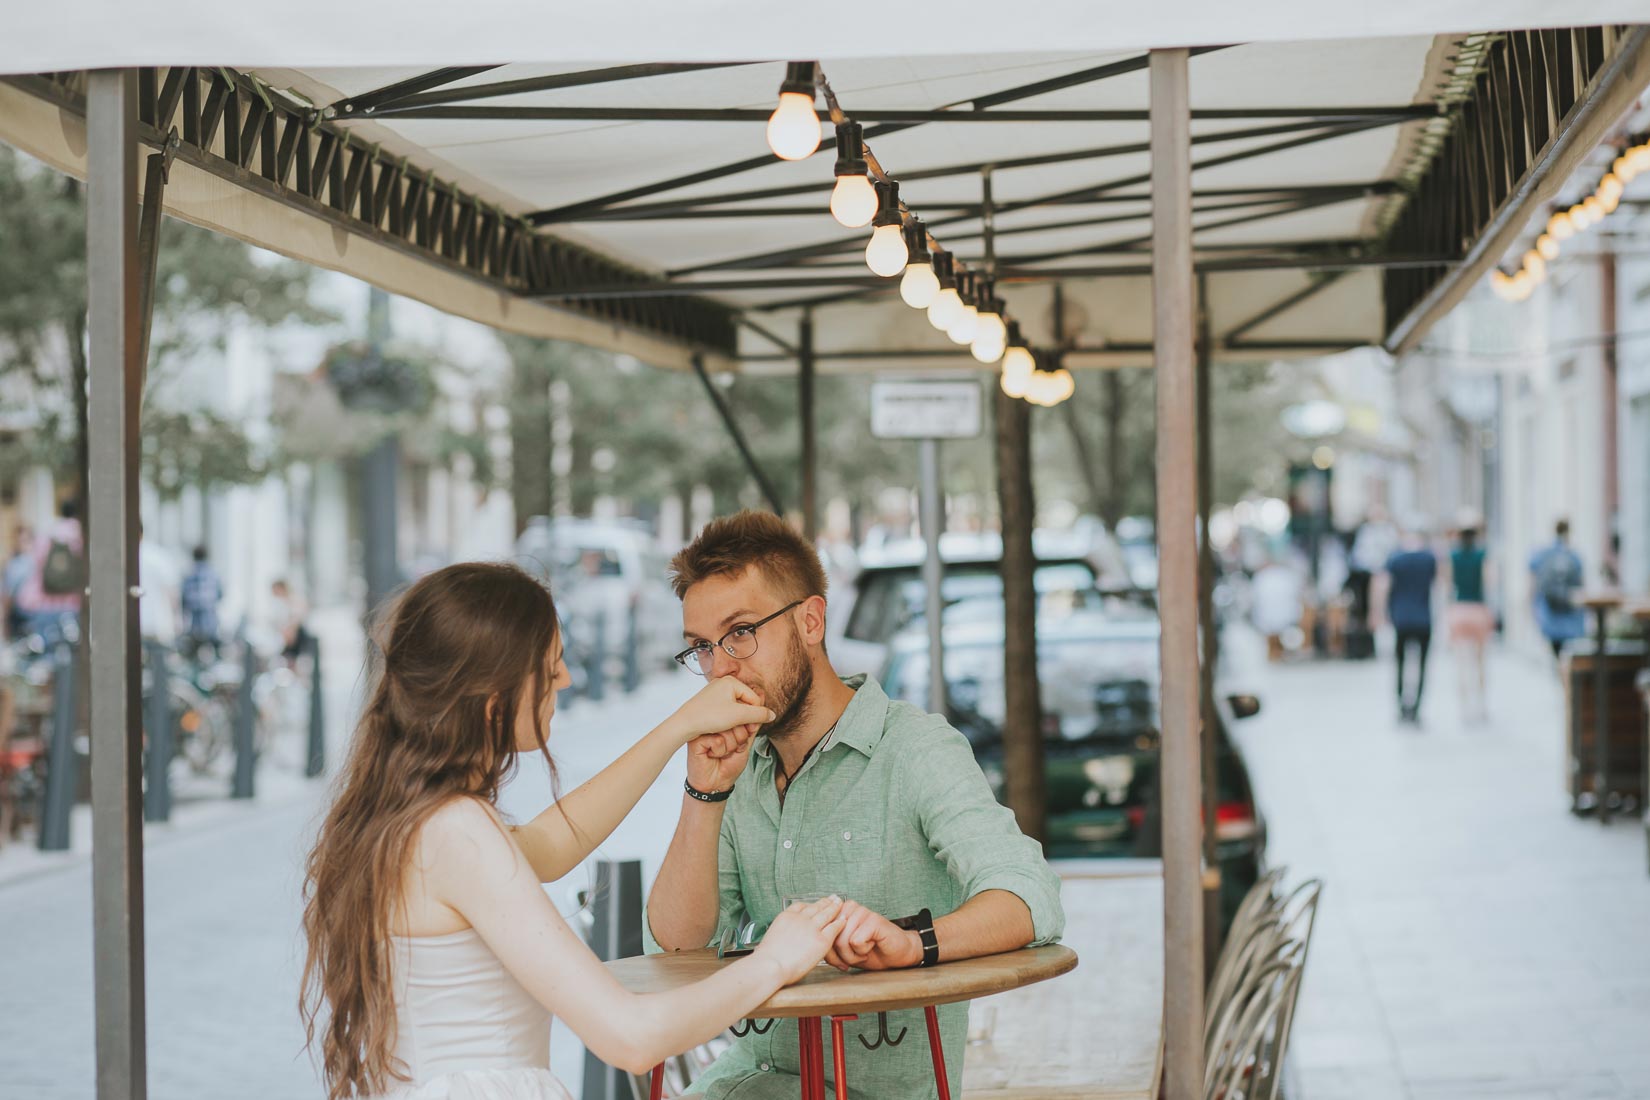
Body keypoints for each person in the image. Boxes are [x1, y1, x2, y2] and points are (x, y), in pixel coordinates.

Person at [300, 561, 848, 1100]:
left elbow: (551, 845)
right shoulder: (456, 830)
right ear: (493, 694)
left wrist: (680, 728)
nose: (564, 678)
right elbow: (630, 1037)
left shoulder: (413, 819)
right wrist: (776, 959)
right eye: (549, 665)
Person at [647, 511, 1065, 1100]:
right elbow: (675, 950)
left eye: (740, 632)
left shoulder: (914, 748)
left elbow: (1030, 896)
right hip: (743, 1083)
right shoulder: (738, 768)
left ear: (811, 621)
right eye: (701, 647)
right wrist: (704, 792)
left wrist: (913, 944)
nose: (720, 668)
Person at [1385, 523, 1438, 725]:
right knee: (1422, 665)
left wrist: (1380, 612)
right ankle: (1416, 708)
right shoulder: (1429, 558)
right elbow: (1439, 583)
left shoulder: (1395, 558)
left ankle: (1401, 706)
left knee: (1400, 664)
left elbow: (1383, 585)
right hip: (1423, 618)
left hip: (1401, 618)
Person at [1443, 520, 1494, 723]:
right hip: (1478, 609)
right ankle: (1481, 706)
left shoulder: (1452, 556)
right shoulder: (1482, 555)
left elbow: (1447, 585)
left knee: (1461, 663)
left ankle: (1464, 709)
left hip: (1459, 610)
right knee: (1480, 663)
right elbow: (1490, 582)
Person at [13, 500, 84, 643]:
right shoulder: (81, 534)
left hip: (44, 602)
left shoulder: (49, 532)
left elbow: (37, 562)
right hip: (74, 602)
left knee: (45, 644)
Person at [1529, 519, 1585, 665]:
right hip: (1570, 616)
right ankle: (1564, 676)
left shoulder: (1543, 554)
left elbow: (1533, 582)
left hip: (1550, 614)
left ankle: (1560, 675)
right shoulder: (1573, 556)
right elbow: (1581, 586)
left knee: (1557, 655)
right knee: (1568, 655)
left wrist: (1531, 606)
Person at [180, 546, 223, 660]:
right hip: (211, 622)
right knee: (216, 656)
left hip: (194, 623)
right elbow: (220, 595)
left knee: (192, 657)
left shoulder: (189, 574)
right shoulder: (213, 574)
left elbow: (183, 598)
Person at [1, 526, 34, 641]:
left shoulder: (37, 561)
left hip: (34, 614)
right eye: (20, 541)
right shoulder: (14, 564)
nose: (22, 544)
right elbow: (7, 594)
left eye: (25, 541)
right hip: (20, 614)